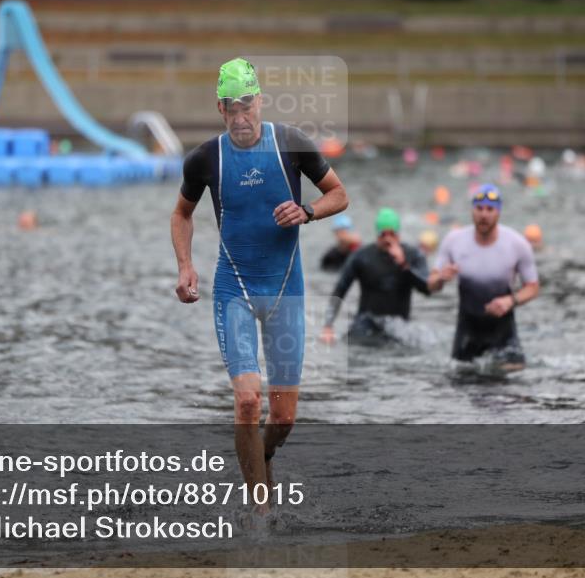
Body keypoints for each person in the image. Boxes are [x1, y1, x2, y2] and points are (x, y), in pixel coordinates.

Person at [170, 58, 348, 502]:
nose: (240, 116)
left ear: (260, 101)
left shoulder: (290, 143)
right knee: (248, 401)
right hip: (235, 290)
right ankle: (260, 514)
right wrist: (185, 265)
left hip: (286, 291)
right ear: (220, 108)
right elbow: (181, 214)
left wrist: (307, 211)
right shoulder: (205, 158)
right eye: (231, 107)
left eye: (246, 105)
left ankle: (261, 459)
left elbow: (339, 194)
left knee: (283, 419)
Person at [428, 184, 539, 372]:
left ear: (498, 212)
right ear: (472, 210)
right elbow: (431, 285)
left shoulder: (517, 244)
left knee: (514, 377)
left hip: (503, 331)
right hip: (467, 331)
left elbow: (533, 287)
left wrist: (510, 301)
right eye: (479, 208)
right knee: (461, 379)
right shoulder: (454, 241)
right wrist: (440, 278)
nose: (484, 215)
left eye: (490, 209)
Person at [320, 208, 430, 346]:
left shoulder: (413, 255)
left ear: (398, 234)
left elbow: (427, 289)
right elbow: (340, 290)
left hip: (398, 327)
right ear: (377, 234)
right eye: (383, 234)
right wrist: (328, 326)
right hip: (366, 324)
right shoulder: (362, 256)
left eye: (392, 234)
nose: (387, 239)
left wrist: (403, 264)